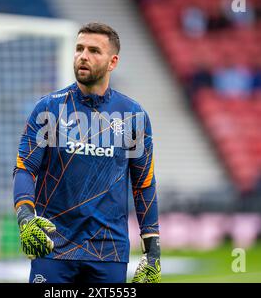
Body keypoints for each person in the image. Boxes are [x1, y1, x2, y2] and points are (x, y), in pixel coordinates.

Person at [13, 22, 160, 283]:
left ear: (112, 62)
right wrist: (26, 217)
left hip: (109, 250)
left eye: (94, 51)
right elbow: (25, 167)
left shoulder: (133, 116)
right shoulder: (48, 109)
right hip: (53, 247)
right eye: (79, 48)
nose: (83, 56)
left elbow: (143, 184)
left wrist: (152, 250)